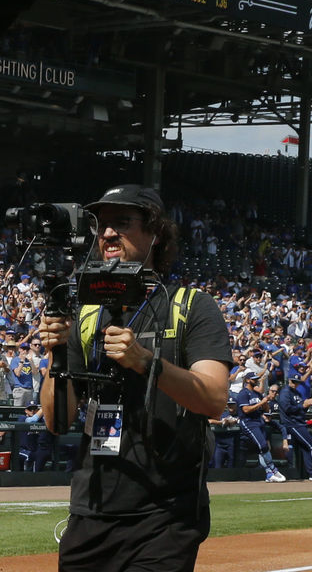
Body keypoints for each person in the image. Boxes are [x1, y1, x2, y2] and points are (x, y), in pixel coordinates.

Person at [39, 184, 231, 571]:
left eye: (122, 223)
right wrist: (54, 354)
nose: (107, 233)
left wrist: (146, 362)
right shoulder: (87, 315)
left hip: (165, 515)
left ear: (155, 233)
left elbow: (213, 398)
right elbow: (57, 421)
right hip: (92, 510)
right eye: (101, 225)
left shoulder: (191, 305)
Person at [236, 372, 285, 482]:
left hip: (258, 421)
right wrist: (261, 403)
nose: (257, 380)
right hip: (248, 422)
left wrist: (265, 402)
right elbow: (245, 410)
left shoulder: (257, 394)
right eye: (254, 379)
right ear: (248, 380)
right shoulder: (243, 393)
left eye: (257, 379)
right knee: (263, 446)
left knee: (263, 448)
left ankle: (269, 474)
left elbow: (266, 410)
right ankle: (272, 469)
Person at [276, 370, 312, 480]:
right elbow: (287, 408)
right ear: (289, 381)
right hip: (292, 424)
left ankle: (310, 473)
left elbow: (300, 410)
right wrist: (302, 405)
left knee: (306, 448)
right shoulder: (285, 392)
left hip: (299, 422)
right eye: (294, 381)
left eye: (297, 382)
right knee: (310, 445)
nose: (295, 384)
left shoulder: (297, 393)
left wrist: (305, 406)